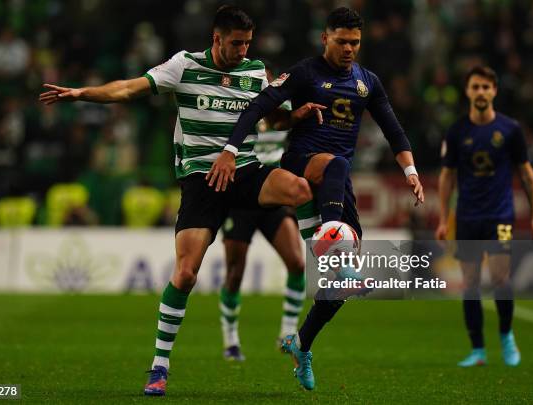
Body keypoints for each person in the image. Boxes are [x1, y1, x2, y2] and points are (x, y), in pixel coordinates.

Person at [39, 5, 318, 397]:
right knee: (186, 273)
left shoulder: (255, 71)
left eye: (247, 43)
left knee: (300, 189)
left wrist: (297, 114)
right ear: (216, 38)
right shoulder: (184, 66)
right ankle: (159, 364)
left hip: (245, 171)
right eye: (236, 43)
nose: (242, 50)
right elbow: (128, 88)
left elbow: (274, 119)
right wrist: (83, 93)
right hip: (202, 182)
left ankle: (326, 258)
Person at [207, 7, 425, 390]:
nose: (348, 49)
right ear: (325, 38)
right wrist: (229, 147)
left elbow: (393, 129)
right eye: (341, 41)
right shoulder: (306, 72)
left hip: (335, 184)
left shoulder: (367, 82)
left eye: (355, 43)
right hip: (301, 163)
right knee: (338, 164)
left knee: (340, 287)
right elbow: (259, 106)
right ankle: (329, 240)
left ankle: (301, 343)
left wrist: (410, 172)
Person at [436, 65, 533, 368]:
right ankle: (478, 349)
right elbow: (447, 176)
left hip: (500, 216)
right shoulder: (457, 131)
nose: (481, 92)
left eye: (486, 87)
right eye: (476, 87)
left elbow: (526, 172)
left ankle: (507, 336)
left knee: (500, 278)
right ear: (468, 91)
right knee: (470, 283)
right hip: (468, 216)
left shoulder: (510, 129)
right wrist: (444, 219)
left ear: (494, 91)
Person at [220, 66, 305, 361]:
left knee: (296, 262)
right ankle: (230, 339)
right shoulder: (241, 108)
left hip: (271, 196)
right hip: (241, 197)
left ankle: (287, 333)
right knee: (234, 273)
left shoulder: (284, 110)